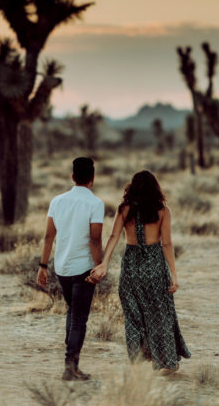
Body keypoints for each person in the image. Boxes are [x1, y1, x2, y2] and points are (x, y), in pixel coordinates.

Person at [88, 170, 191, 373]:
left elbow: (113, 237)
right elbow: (167, 244)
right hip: (154, 266)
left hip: (132, 266)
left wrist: (104, 264)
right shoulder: (163, 211)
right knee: (160, 314)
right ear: (155, 188)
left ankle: (137, 361)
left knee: (134, 316)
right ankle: (167, 362)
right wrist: (174, 274)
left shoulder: (124, 209)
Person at [37, 157, 104, 381]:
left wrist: (43, 266)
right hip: (83, 268)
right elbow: (95, 241)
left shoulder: (57, 201)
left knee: (72, 312)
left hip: (62, 267)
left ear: (73, 177)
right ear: (92, 179)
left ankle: (71, 365)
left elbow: (48, 236)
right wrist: (100, 266)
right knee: (78, 318)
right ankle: (70, 367)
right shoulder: (95, 204)